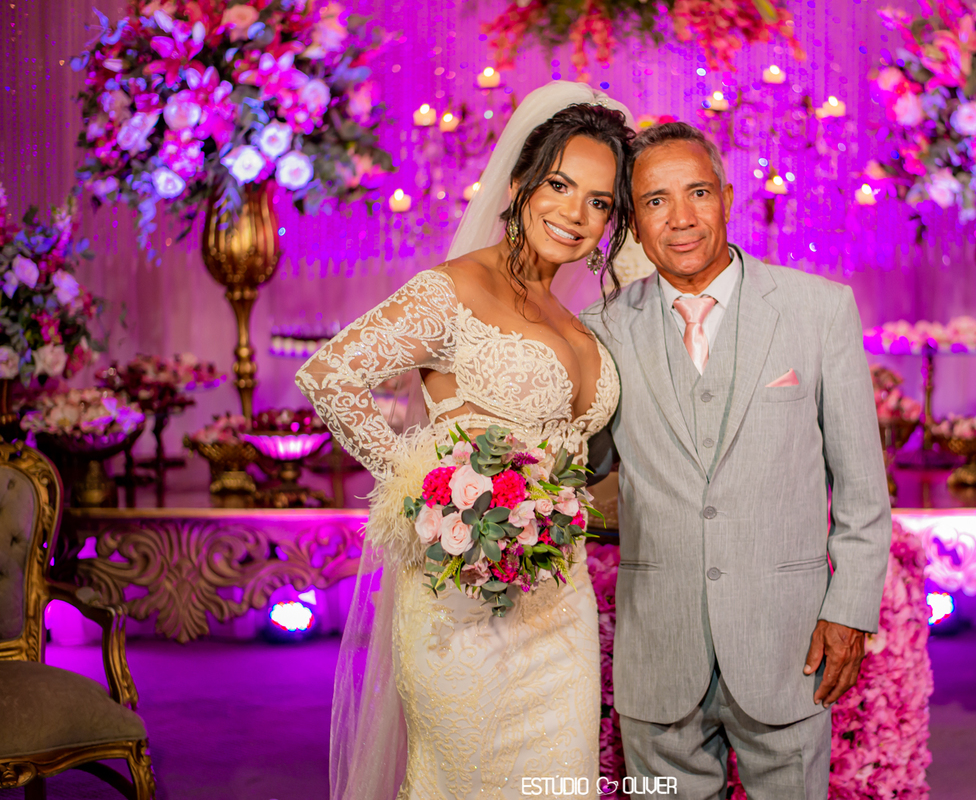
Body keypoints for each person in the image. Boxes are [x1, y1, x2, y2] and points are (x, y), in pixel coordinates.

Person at [296, 82, 635, 800]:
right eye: (559, 185)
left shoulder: (576, 318)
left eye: (600, 202)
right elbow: (331, 376)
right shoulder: (452, 289)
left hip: (564, 608)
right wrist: (433, 494)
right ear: (518, 185)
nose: (575, 214)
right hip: (465, 606)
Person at [581, 122, 892, 799]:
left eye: (697, 192)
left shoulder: (819, 310)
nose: (681, 218)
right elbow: (582, 468)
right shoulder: (600, 331)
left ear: (726, 197)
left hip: (788, 643)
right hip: (659, 647)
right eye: (656, 201)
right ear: (632, 219)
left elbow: (863, 491)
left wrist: (850, 610)